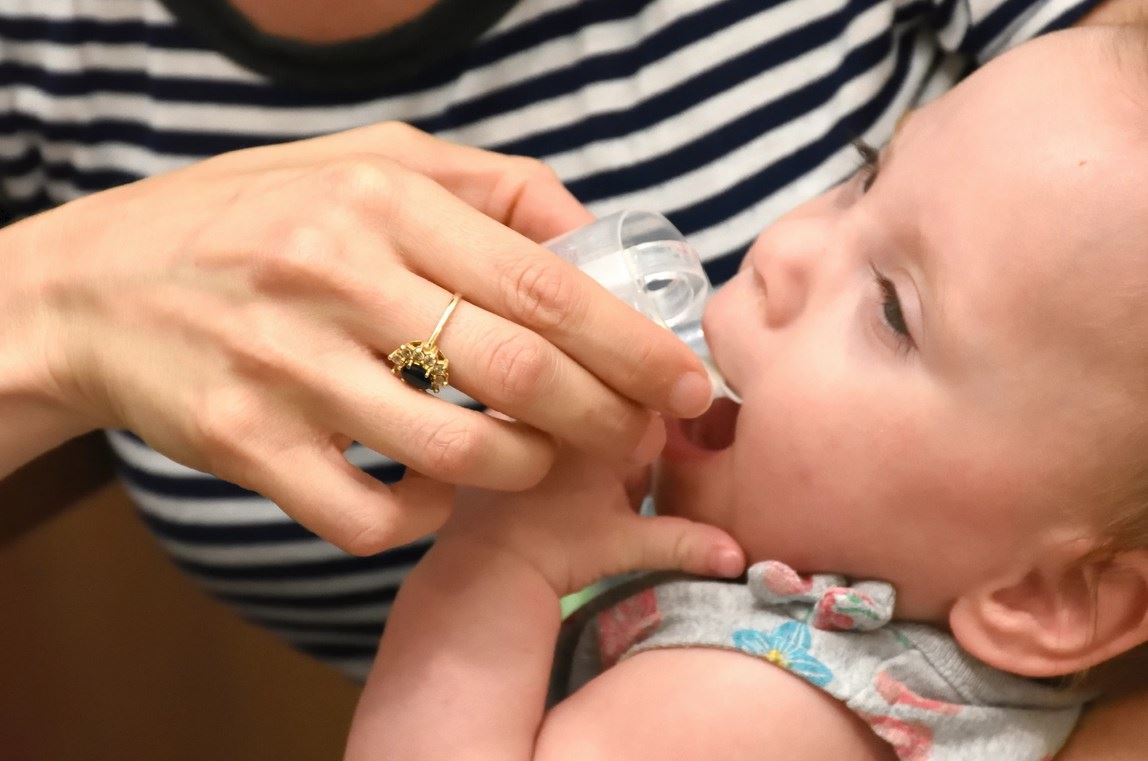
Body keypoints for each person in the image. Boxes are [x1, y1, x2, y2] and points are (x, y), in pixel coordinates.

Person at [343, 25, 1148, 760]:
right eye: (866, 177)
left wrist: (495, 558)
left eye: (894, 310)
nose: (784, 247)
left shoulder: (751, 710)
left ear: (1048, 600)